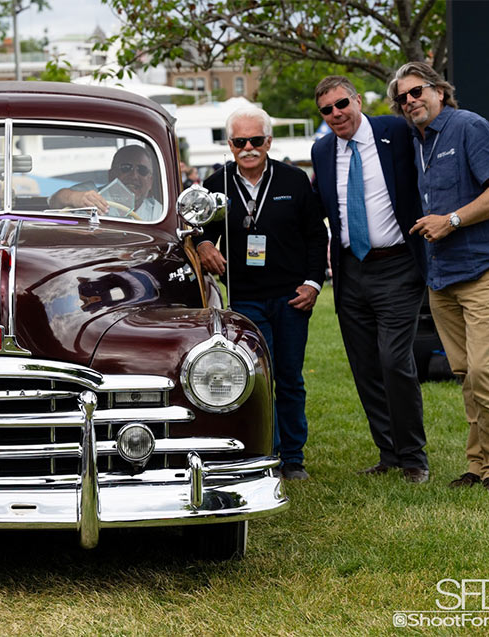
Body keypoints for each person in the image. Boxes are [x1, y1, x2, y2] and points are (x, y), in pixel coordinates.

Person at [389, 61, 489, 494]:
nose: (410, 101)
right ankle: (477, 463)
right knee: (466, 373)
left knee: (485, 371)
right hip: (443, 274)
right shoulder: (418, 141)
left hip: (486, 266)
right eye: (403, 97)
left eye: (417, 92)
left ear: (439, 92)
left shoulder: (469, 126)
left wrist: (451, 219)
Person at [194, 105, 328, 481]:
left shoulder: (294, 180)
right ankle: (261, 452)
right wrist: (205, 245)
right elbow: (196, 229)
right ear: (230, 144)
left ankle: (293, 458)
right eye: (240, 141)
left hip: (290, 297)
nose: (248, 147)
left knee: (289, 378)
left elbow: (317, 237)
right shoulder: (216, 184)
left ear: (269, 142)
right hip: (245, 298)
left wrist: (313, 283)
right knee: (254, 380)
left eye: (256, 140)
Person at [310, 75, 430, 483]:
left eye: (342, 104)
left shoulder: (395, 131)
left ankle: (413, 457)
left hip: (398, 264)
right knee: (365, 366)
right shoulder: (323, 149)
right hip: (350, 270)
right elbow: (315, 210)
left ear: (358, 100)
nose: (336, 114)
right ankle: (389, 454)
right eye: (326, 110)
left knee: (395, 359)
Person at [49, 145, 163, 220]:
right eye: (126, 168)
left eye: (142, 170)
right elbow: (54, 200)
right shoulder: (91, 194)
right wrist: (75, 198)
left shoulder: (157, 213)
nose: (134, 175)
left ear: (150, 181)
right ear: (111, 175)